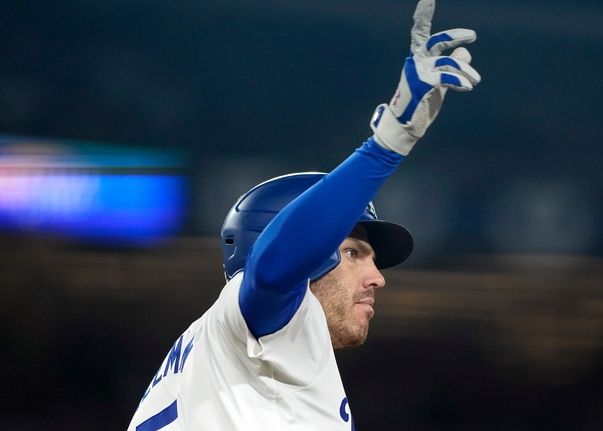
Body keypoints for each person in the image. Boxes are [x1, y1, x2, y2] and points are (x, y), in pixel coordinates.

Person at [126, 0, 481, 429]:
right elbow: (276, 265)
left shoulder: (255, 357)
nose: (377, 277)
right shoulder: (260, 315)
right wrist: (386, 146)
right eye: (353, 252)